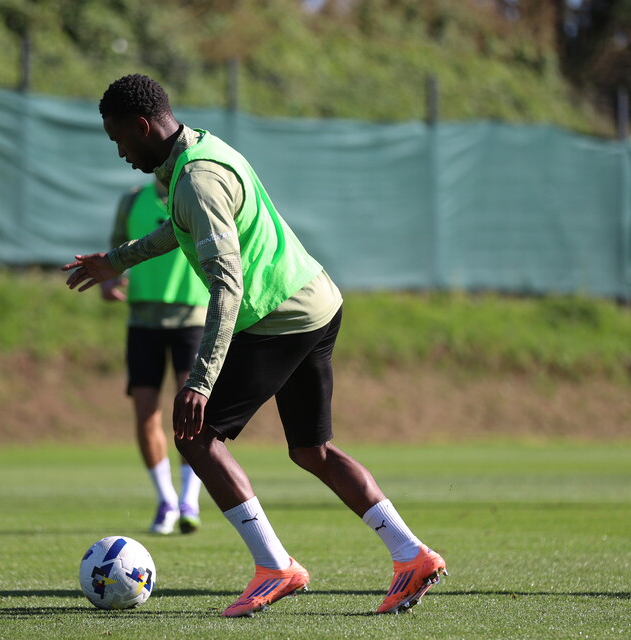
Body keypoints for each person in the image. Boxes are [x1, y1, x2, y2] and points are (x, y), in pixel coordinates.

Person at [64, 74, 447, 617]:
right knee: (311, 449)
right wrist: (116, 260)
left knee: (196, 436)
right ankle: (412, 556)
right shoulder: (201, 151)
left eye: (118, 140)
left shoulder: (195, 179)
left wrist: (198, 381)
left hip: (279, 319)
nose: (121, 153)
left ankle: (275, 567)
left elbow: (227, 285)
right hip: (316, 301)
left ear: (141, 127)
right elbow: (181, 229)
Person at [101, 180, 210, 535]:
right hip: (142, 318)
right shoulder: (133, 199)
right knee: (146, 410)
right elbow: (117, 246)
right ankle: (166, 500)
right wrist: (108, 278)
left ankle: (189, 500)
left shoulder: (196, 194)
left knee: (190, 410)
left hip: (192, 316)